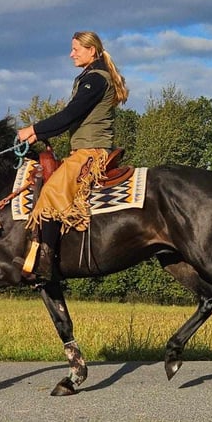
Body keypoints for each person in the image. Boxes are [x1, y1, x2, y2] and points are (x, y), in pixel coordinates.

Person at [16, 31, 128, 281]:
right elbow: (70, 119)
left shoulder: (96, 79)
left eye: (76, 49)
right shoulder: (90, 77)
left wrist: (32, 129)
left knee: (51, 193)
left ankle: (45, 262)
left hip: (92, 152)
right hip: (83, 149)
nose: (71, 54)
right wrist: (38, 134)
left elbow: (69, 116)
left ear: (92, 50)